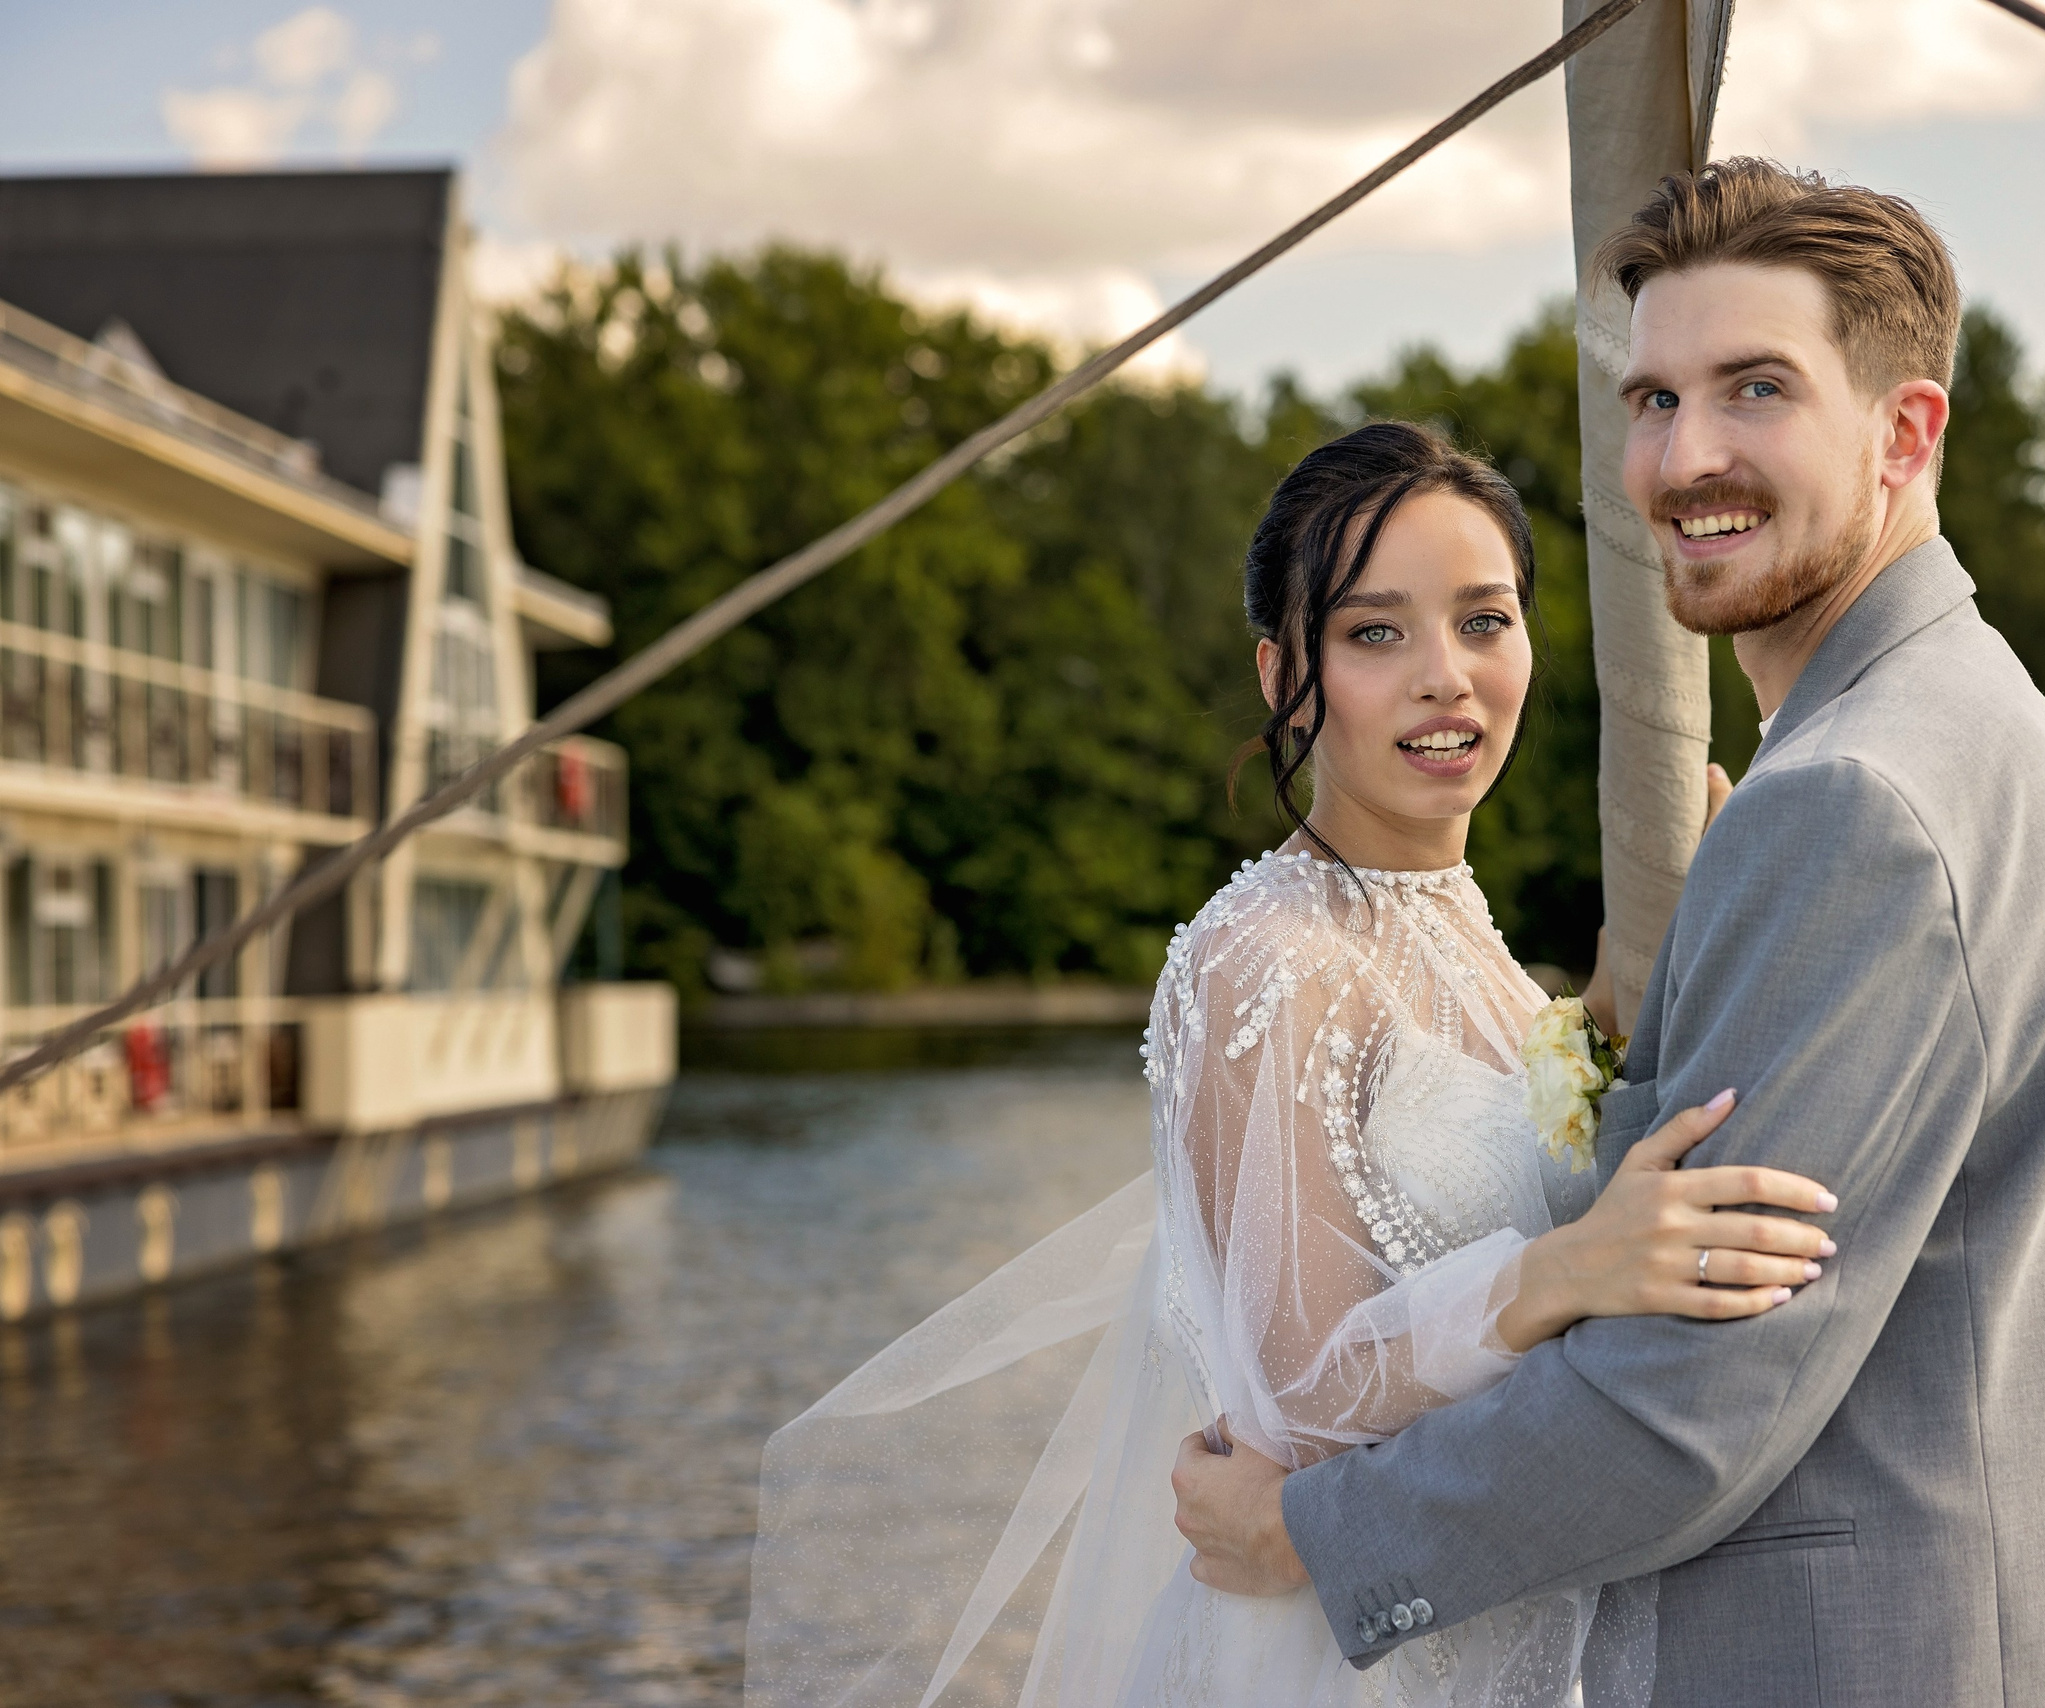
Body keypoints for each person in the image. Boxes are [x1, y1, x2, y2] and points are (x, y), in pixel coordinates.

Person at [1171, 160, 2045, 1704]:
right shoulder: (1956, 728)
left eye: (1753, 391)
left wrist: (1316, 1531)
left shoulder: (1855, 801)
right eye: (1651, 400)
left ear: (1905, 433)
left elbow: (1690, 1407)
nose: (1684, 456)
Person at [746, 419, 1837, 1708]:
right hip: (1339, 1658)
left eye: (1485, 621)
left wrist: (1655, 953)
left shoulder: (1467, 936)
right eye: (1377, 634)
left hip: (1496, 1614)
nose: (1449, 678)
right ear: (1283, 673)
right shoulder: (1265, 960)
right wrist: (1568, 1270)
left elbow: (1513, 1138)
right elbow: (1301, 1395)